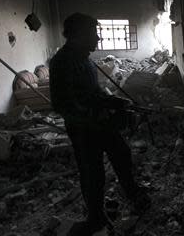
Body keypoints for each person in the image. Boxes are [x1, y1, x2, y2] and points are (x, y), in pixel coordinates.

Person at [49, 13, 149, 236]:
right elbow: (62, 104)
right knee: (92, 173)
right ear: (78, 34)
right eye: (94, 33)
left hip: (100, 124)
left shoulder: (85, 59)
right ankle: (95, 217)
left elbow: (94, 94)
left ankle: (132, 193)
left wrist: (117, 101)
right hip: (83, 129)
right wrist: (95, 115)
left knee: (122, 154)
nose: (98, 38)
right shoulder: (61, 62)